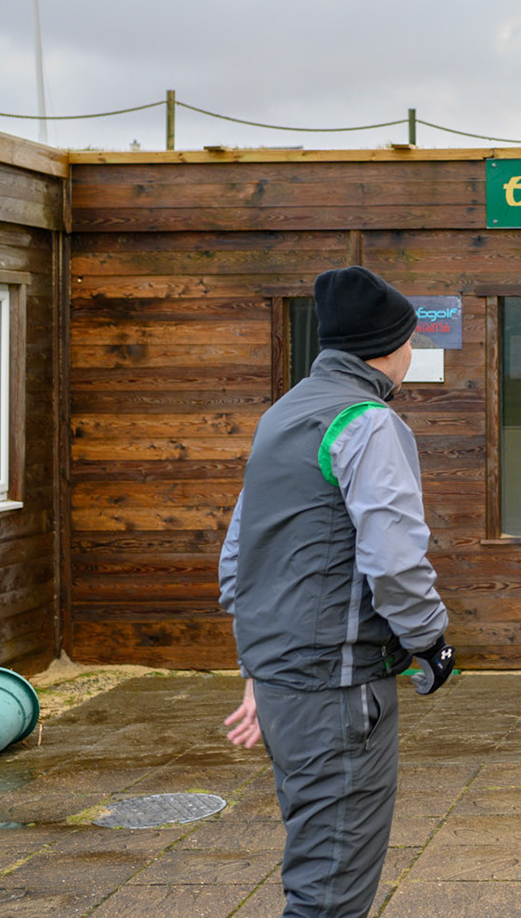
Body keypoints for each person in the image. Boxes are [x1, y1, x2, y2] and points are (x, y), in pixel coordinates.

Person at [218, 266, 455, 918]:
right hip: (340, 692)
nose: (413, 352)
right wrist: (430, 643)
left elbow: (238, 557)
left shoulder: (283, 416)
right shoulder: (368, 422)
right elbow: (395, 562)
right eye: (411, 338)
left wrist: (259, 670)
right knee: (330, 893)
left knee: (316, 867)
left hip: (287, 689)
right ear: (388, 346)